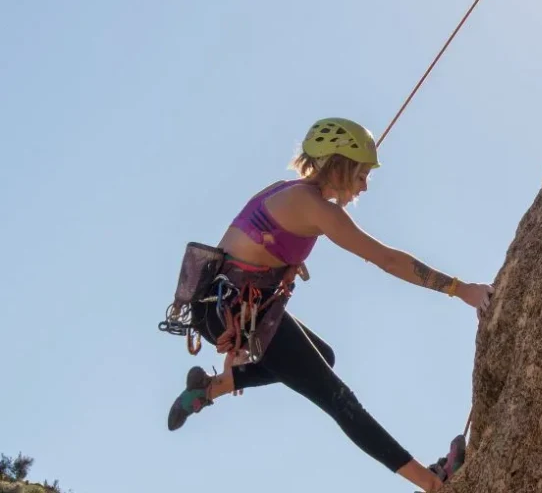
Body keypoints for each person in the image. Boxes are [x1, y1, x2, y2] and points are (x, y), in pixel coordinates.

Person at [166, 118, 494, 492]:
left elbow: (244, 254)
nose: (364, 185)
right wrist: (460, 288)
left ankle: (207, 390)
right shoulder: (314, 207)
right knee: (337, 397)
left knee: (324, 356)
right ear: (341, 164)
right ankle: (434, 484)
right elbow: (386, 259)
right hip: (234, 309)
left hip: (223, 306)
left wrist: (234, 334)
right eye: (362, 174)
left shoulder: (286, 191)